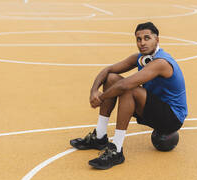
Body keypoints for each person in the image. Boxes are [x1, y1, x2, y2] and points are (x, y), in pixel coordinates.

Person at [70, 22, 188, 170]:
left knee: (128, 89)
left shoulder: (161, 62)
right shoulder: (140, 58)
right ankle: (99, 137)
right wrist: (93, 91)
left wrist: (101, 98)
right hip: (152, 109)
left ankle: (116, 150)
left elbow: (125, 85)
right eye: (139, 39)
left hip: (172, 119)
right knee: (112, 78)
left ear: (157, 40)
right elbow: (108, 70)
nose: (142, 43)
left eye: (147, 38)